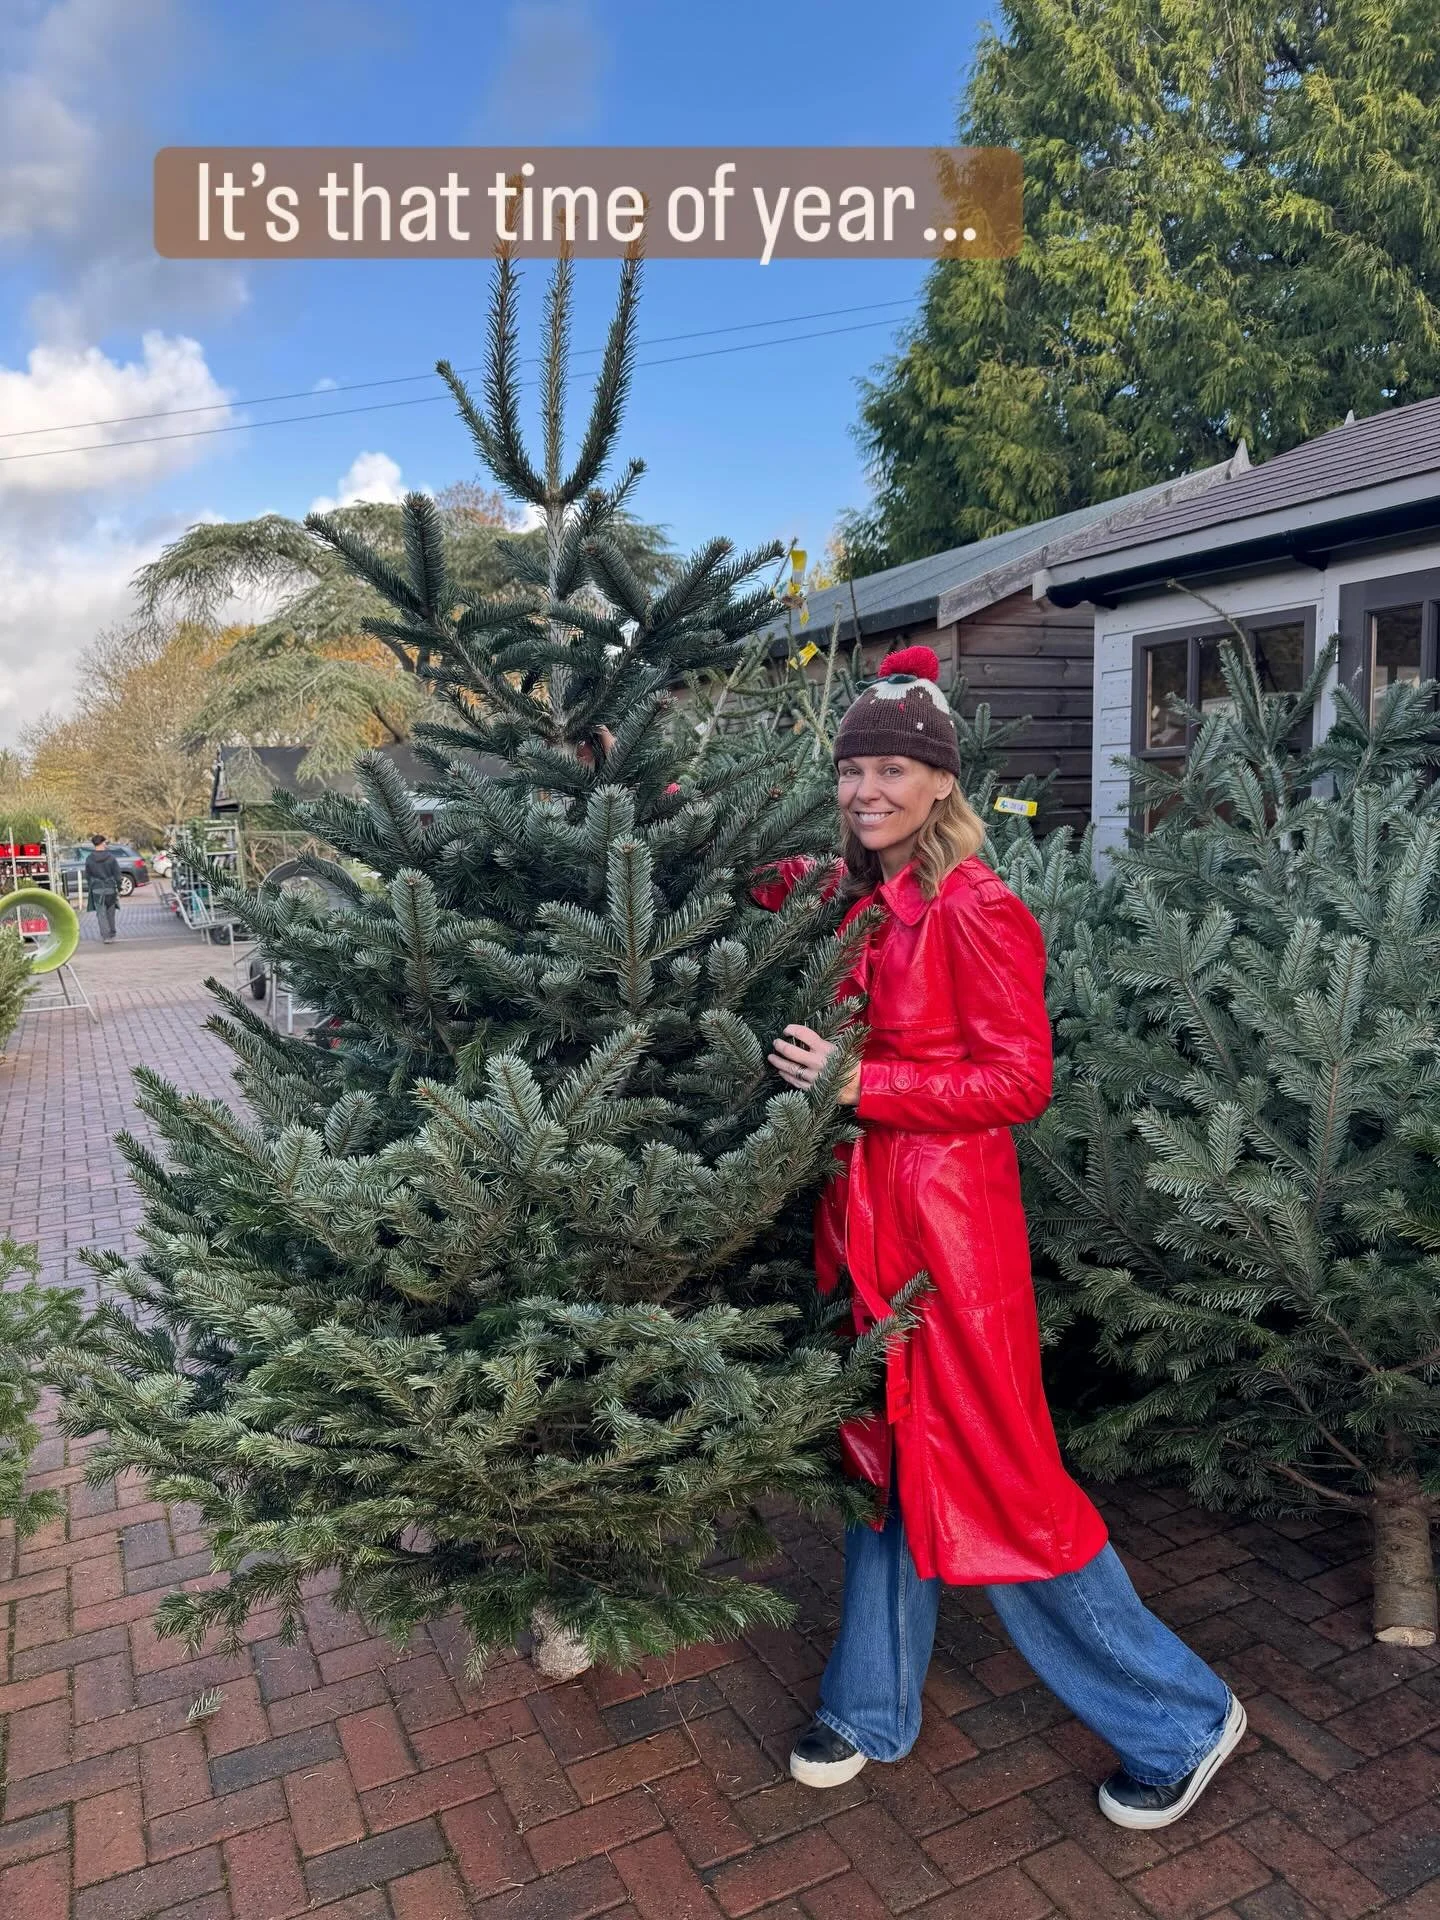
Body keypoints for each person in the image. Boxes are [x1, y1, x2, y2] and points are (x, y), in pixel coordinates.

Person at [757, 644, 1245, 1832]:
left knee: (995, 1481)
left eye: (891, 770)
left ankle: (1179, 1716)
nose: (867, 789)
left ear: (938, 785)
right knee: (885, 1460)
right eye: (852, 769)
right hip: (866, 1228)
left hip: (948, 1243)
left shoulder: (977, 908)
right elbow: (753, 880)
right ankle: (870, 1704)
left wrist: (857, 1081)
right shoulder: (855, 899)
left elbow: (1017, 1081)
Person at [83, 834, 122, 943]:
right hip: (110, 888)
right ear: (101, 843)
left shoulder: (89, 859)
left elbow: (87, 875)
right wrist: (119, 888)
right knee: (111, 912)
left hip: (97, 889)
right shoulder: (111, 858)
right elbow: (118, 875)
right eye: (105, 842)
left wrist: (92, 884)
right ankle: (112, 933)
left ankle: (106, 936)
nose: (106, 844)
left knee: (101, 914)